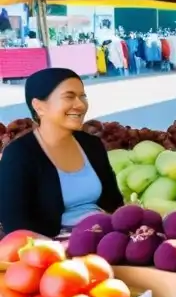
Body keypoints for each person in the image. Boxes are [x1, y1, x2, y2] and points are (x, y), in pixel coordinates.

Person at [0, 68, 123, 236]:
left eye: (83, 96)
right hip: (53, 249)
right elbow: (15, 229)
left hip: (104, 236)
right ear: (39, 106)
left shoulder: (91, 144)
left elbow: (115, 204)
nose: (80, 105)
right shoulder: (19, 155)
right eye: (69, 96)